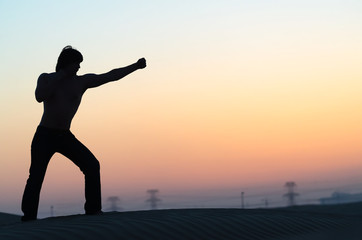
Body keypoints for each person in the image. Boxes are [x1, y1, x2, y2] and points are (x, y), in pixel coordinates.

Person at [21, 46, 146, 221]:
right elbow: (39, 96)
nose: (79, 67)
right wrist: (61, 76)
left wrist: (135, 66)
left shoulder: (82, 82)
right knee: (36, 176)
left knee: (92, 165)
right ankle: (29, 218)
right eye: (76, 63)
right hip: (45, 135)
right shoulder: (46, 78)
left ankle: (93, 210)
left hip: (64, 136)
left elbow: (110, 76)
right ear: (67, 63)